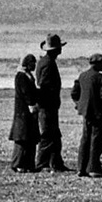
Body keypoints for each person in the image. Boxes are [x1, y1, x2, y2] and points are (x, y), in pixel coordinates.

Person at [71, 52, 102, 177]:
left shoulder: (82, 76)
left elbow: (74, 93)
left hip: (86, 113)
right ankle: (94, 168)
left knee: (85, 139)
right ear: (98, 64)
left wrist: (79, 105)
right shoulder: (101, 78)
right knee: (96, 140)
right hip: (97, 114)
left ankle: (81, 168)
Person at [34, 34, 71, 172]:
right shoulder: (48, 63)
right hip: (47, 105)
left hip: (49, 105)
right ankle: (42, 163)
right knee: (48, 134)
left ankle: (55, 162)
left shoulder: (47, 61)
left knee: (54, 134)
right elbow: (43, 85)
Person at [10, 54, 40, 173]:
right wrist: (31, 104)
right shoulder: (21, 76)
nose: (34, 65)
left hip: (28, 111)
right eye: (33, 63)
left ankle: (28, 164)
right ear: (27, 64)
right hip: (23, 111)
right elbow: (25, 92)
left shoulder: (28, 76)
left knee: (30, 138)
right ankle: (18, 164)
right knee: (22, 138)